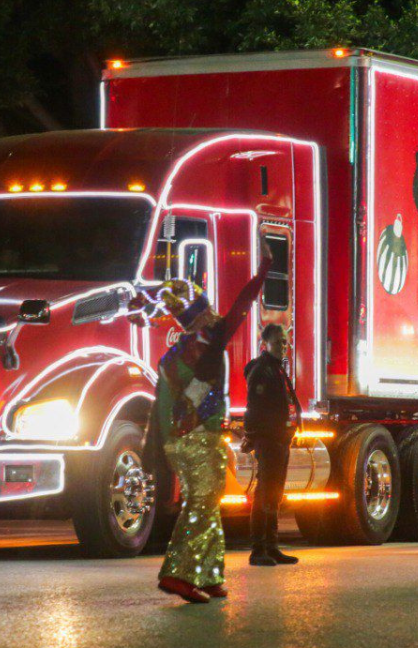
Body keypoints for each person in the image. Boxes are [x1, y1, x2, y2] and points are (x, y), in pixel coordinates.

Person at [134, 239, 273, 604]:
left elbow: (161, 406)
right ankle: (177, 573)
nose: (216, 315)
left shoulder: (174, 353)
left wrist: (159, 449)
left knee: (209, 501)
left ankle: (210, 575)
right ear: (201, 313)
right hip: (197, 437)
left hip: (182, 440)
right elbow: (243, 305)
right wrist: (262, 272)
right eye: (208, 309)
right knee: (201, 504)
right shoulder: (210, 340)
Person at [242, 323, 302, 566]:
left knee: (275, 494)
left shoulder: (276, 369)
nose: (283, 346)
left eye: (285, 341)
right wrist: (254, 436)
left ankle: (272, 547)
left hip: (279, 440)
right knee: (265, 494)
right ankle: (258, 550)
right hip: (269, 441)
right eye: (278, 342)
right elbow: (254, 408)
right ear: (264, 344)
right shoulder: (262, 370)